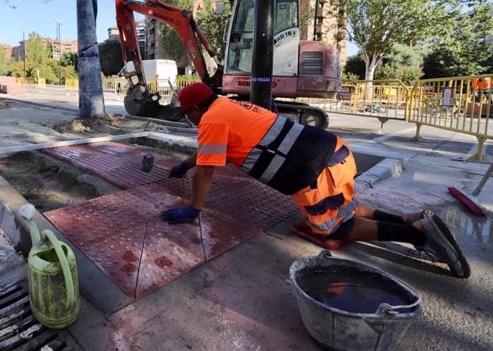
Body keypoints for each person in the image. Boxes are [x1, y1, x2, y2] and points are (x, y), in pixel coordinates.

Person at [160, 82, 470, 278]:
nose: (188, 119)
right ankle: (410, 219)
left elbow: (208, 170)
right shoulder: (228, 106)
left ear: (197, 109)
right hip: (336, 152)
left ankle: (419, 237)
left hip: (315, 172)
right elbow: (219, 153)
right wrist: (186, 165)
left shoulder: (210, 120)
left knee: (334, 227)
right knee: (345, 207)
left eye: (187, 114)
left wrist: (195, 209)